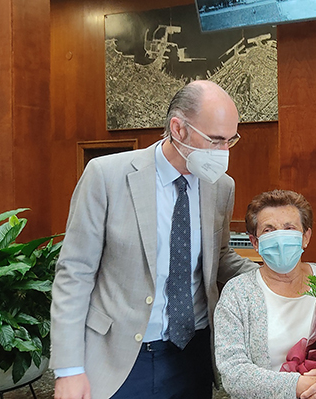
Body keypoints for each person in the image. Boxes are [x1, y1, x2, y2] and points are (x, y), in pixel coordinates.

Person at [50, 80, 259, 399]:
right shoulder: (106, 176)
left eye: (231, 141)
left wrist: (281, 278)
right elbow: (74, 273)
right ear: (178, 129)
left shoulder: (221, 186)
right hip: (119, 356)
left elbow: (219, 257)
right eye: (215, 140)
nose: (224, 153)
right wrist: (68, 369)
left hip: (192, 352)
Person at [214, 190, 316, 399]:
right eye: (269, 230)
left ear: (306, 237)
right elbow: (233, 373)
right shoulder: (238, 293)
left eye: (289, 228)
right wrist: (298, 385)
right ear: (255, 242)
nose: (280, 237)